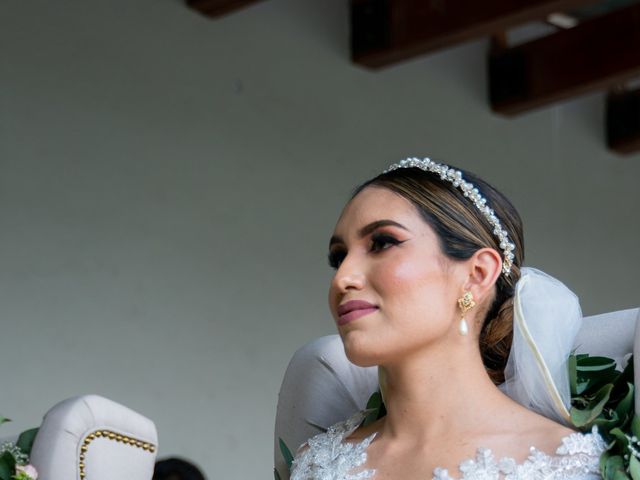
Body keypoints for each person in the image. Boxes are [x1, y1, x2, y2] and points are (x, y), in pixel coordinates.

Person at [288, 158, 606, 479]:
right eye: (338, 258)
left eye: (382, 243)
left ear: (477, 275)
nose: (343, 278)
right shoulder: (317, 462)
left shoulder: (565, 464)